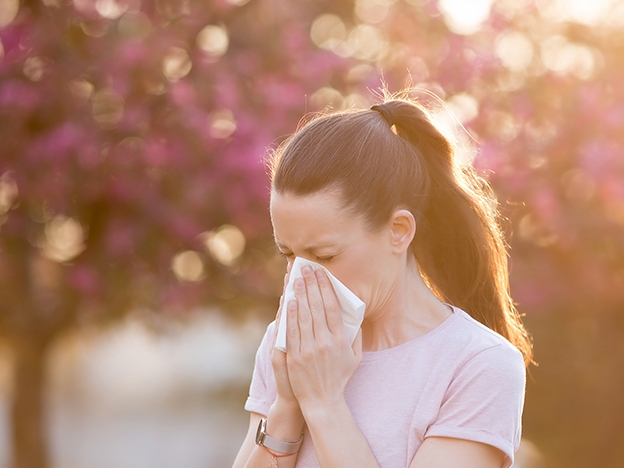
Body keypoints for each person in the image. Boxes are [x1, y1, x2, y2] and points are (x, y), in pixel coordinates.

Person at [232, 98, 532, 468]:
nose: (301, 277)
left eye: (324, 256)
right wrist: (288, 404)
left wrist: (324, 402)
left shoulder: (478, 364)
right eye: (288, 255)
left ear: (398, 231)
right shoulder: (289, 347)